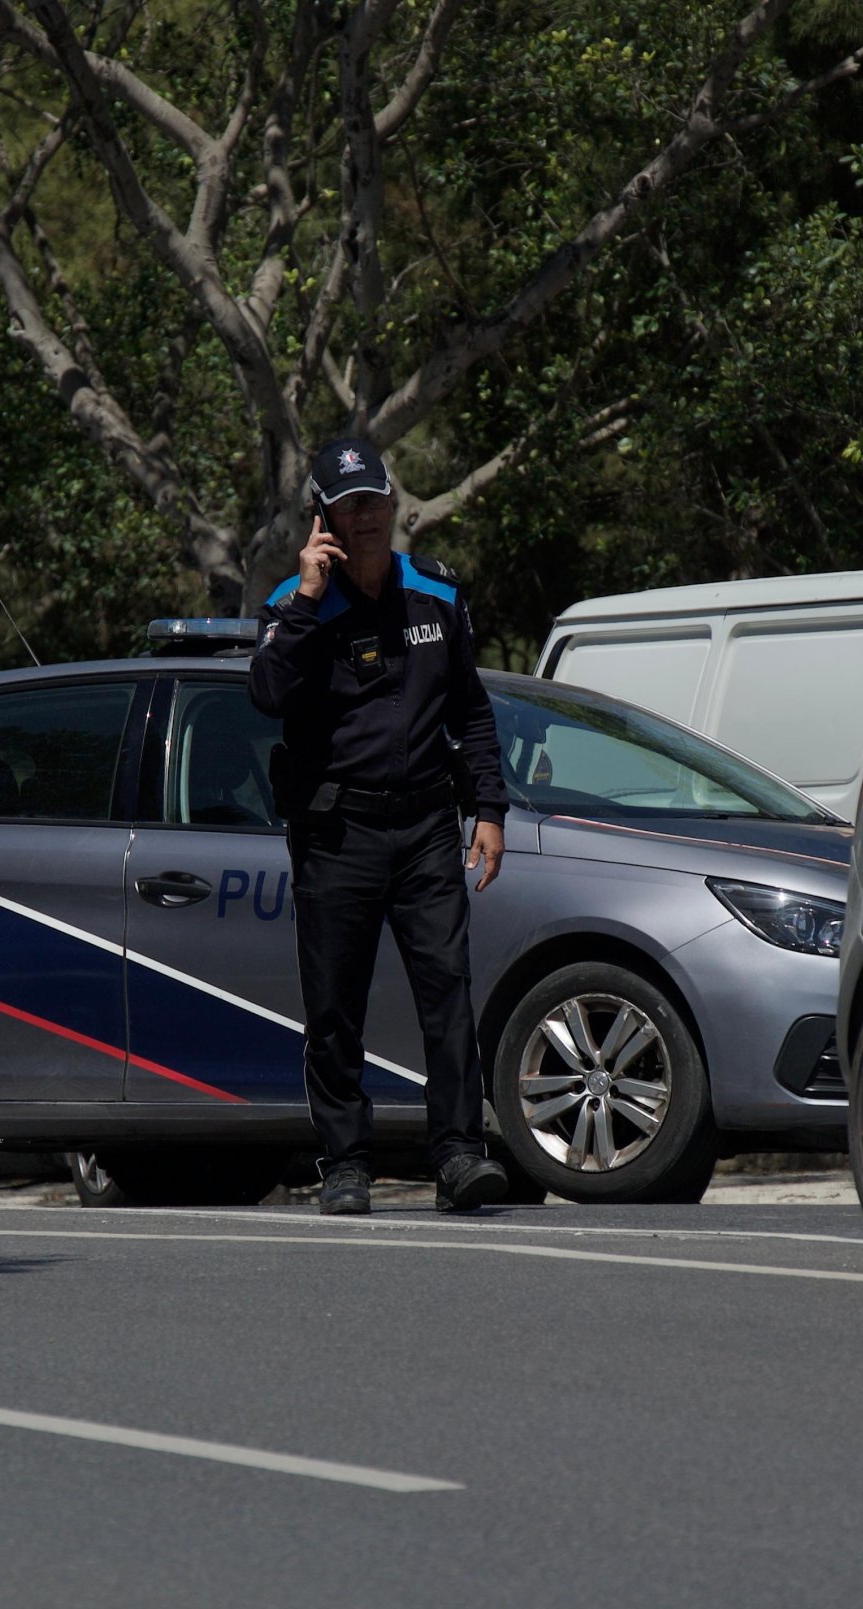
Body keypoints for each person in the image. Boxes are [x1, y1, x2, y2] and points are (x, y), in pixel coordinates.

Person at [248, 435, 512, 1216]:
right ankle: (345, 1165)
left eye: (377, 502)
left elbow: (472, 713)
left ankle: (460, 1156)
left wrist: (489, 808)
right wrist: (303, 599)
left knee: (448, 997)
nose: (367, 518)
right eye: (350, 505)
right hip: (338, 835)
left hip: (428, 825)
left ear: (394, 507)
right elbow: (265, 695)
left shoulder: (436, 592)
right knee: (334, 1007)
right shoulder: (295, 605)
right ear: (324, 517)